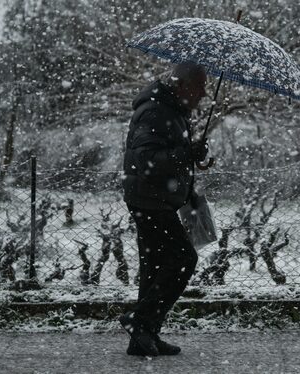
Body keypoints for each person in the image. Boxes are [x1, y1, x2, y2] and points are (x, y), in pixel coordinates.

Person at [120, 62, 209, 356]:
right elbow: (143, 159)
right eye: (200, 87)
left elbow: (166, 153)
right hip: (149, 199)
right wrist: (185, 153)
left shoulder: (171, 109)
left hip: (155, 198)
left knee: (155, 267)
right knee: (183, 259)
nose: (204, 94)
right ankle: (140, 320)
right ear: (182, 85)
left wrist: (194, 154)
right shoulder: (156, 110)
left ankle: (143, 338)